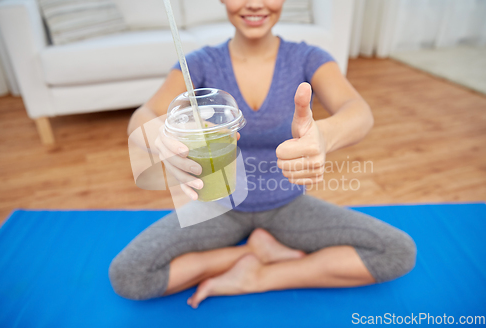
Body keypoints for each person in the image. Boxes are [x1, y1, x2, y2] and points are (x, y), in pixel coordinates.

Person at [109, 0, 416, 309]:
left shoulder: (308, 58)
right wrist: (161, 136)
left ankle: (259, 276)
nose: (255, 3)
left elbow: (359, 112)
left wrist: (325, 135)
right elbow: (144, 113)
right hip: (218, 204)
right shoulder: (200, 64)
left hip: (288, 204)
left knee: (398, 251)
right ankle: (252, 253)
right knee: (128, 275)